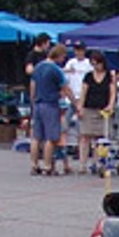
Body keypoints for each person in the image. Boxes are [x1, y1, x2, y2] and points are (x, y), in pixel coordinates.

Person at [30, 42, 75, 176]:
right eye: (63, 57)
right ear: (59, 56)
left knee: (36, 137)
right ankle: (47, 165)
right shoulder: (56, 70)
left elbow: (32, 86)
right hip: (50, 104)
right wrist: (75, 103)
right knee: (52, 137)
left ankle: (33, 164)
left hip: (38, 104)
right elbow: (66, 88)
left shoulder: (38, 67)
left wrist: (33, 101)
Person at [79, 49, 114, 164]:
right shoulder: (88, 76)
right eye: (93, 64)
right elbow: (83, 92)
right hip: (89, 108)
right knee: (85, 136)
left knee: (100, 138)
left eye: (97, 64)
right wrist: (80, 107)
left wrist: (110, 105)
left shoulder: (109, 75)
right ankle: (82, 162)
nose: (96, 66)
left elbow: (112, 92)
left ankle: (97, 161)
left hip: (103, 109)